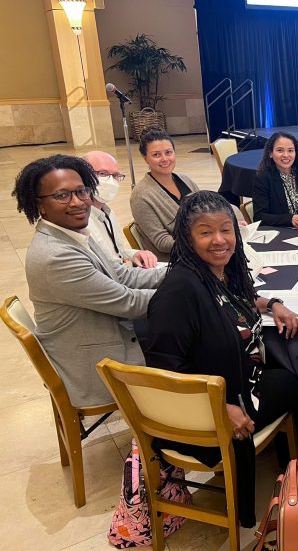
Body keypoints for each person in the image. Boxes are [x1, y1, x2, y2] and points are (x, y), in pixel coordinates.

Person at [144, 191, 298, 528]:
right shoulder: (179, 291)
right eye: (205, 232)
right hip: (204, 413)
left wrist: (274, 303)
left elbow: (239, 295)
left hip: (239, 381)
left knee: (297, 374)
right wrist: (220, 409)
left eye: (225, 230)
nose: (219, 240)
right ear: (187, 239)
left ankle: (294, 468)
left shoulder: (219, 272)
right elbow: (164, 371)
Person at [13, 154, 165, 407]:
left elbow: (122, 274)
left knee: (186, 327)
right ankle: (172, 429)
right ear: (39, 205)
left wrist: (178, 272)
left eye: (81, 191)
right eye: (62, 195)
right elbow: (129, 303)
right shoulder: (56, 256)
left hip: (100, 332)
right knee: (193, 339)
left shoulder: (73, 232)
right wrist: (196, 288)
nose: (78, 202)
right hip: (94, 362)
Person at [129, 129, 199, 261]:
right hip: (176, 260)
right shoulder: (141, 196)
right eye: (156, 155)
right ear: (146, 159)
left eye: (168, 152)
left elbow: (207, 211)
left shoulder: (185, 180)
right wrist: (202, 242)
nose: (165, 159)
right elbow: (162, 242)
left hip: (200, 250)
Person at [83, 151, 158, 268]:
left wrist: (135, 254)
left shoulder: (108, 212)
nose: (111, 181)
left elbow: (117, 253)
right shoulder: (81, 221)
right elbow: (109, 268)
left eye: (115, 176)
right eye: (103, 173)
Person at [252, 132, 298, 227]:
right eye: (280, 150)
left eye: (290, 150)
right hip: (281, 231)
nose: (286, 155)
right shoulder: (263, 179)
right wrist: (290, 219)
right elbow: (259, 217)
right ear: (270, 153)